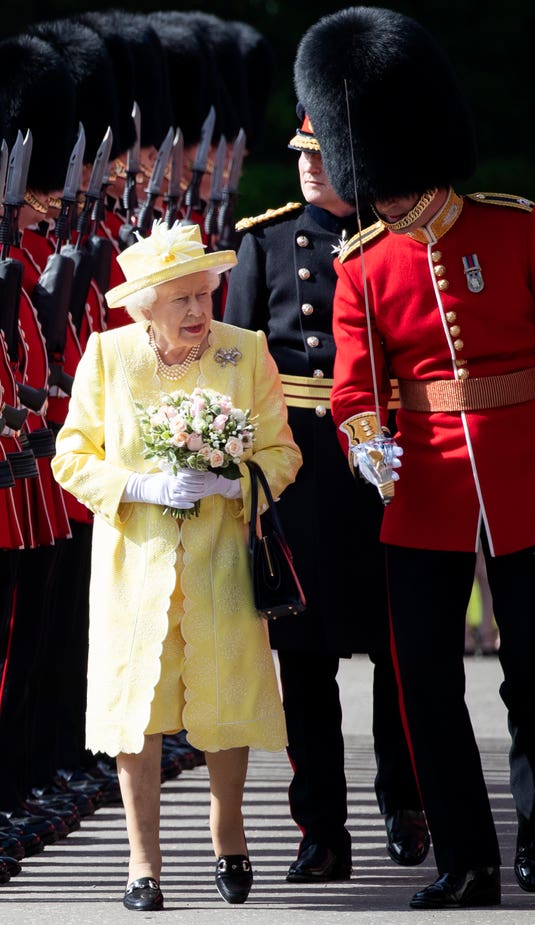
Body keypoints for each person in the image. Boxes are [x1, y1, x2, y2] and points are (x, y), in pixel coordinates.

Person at [294, 6, 535, 910]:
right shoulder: (363, 266)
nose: (385, 199)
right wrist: (367, 446)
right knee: (424, 677)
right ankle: (467, 854)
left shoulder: (520, 233)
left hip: (526, 477)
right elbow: (356, 388)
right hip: (427, 488)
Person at [52, 219, 302, 910]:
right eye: (182, 299)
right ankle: (143, 861)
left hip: (221, 558)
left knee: (225, 699)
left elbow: (284, 453)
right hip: (137, 564)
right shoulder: (107, 356)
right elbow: (70, 456)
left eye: (205, 294)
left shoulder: (244, 352)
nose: (199, 310)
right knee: (141, 711)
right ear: (146, 306)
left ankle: (229, 835)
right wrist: (137, 484)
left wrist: (236, 481)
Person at [223, 109, 429, 882]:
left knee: (397, 649)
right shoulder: (266, 240)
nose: (309, 165)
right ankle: (321, 827)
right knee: (304, 661)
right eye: (301, 152)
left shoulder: (400, 238)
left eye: (323, 152)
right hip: (299, 467)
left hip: (379, 462)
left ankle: (405, 801)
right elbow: (236, 365)